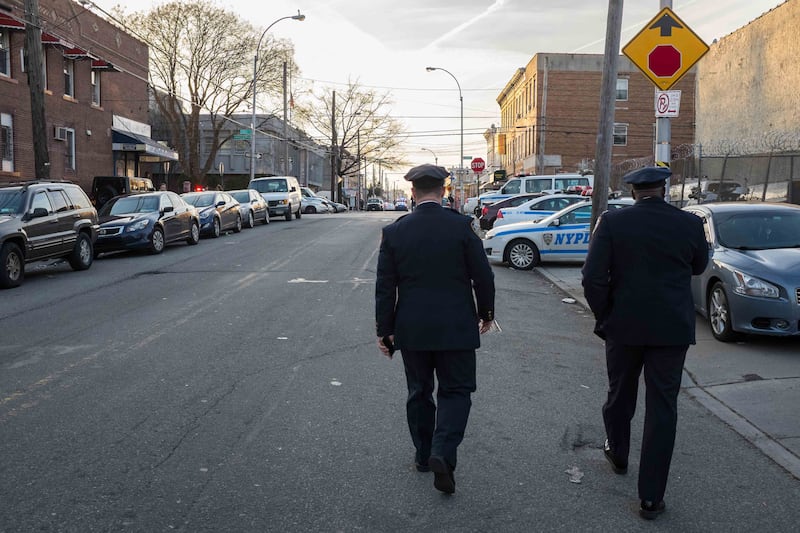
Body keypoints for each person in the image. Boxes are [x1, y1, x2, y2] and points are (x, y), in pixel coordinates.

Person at [581, 166, 709, 520]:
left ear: (634, 192)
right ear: (663, 190)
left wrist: (604, 314)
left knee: (620, 392)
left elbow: (592, 277)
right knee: (663, 407)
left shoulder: (612, 222)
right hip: (671, 329)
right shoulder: (689, 224)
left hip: (623, 326)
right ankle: (651, 498)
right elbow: (699, 265)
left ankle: (618, 453)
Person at [375, 163, 495, 495]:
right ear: (443, 192)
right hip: (456, 326)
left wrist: (384, 330)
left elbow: (385, 286)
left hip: (411, 328)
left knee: (419, 391)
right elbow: (483, 276)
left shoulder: (396, 232)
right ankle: (443, 451)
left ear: (413, 194)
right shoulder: (462, 227)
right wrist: (486, 312)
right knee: (456, 391)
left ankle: (424, 454)